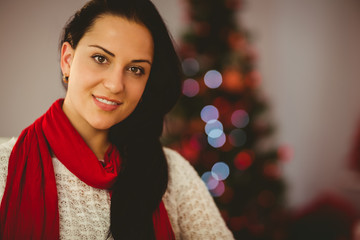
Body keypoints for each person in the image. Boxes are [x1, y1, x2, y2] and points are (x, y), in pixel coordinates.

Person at [0, 0, 234, 239]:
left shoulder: (173, 174)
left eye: (135, 69)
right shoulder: (4, 168)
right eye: (101, 58)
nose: (115, 85)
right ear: (67, 60)